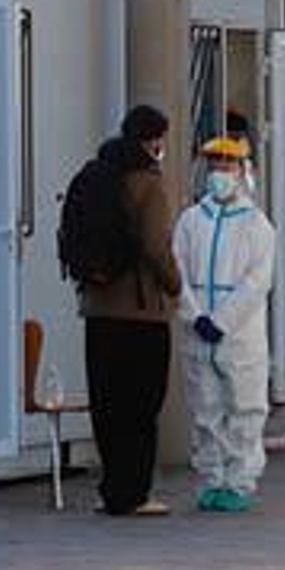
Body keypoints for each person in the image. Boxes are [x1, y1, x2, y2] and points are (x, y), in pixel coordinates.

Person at [79, 105, 182, 516]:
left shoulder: (96, 174)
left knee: (107, 404)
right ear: (154, 139)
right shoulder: (148, 184)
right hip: (141, 313)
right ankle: (134, 493)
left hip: (98, 309)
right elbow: (157, 246)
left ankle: (111, 489)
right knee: (141, 406)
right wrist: (175, 285)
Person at [172, 136, 276, 513]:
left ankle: (240, 480)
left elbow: (257, 281)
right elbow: (176, 271)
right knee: (205, 410)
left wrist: (223, 320)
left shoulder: (256, 225)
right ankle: (212, 478)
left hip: (240, 336)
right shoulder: (190, 221)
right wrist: (194, 315)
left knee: (245, 408)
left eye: (228, 167)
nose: (220, 175)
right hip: (198, 331)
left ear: (243, 172)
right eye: (214, 167)